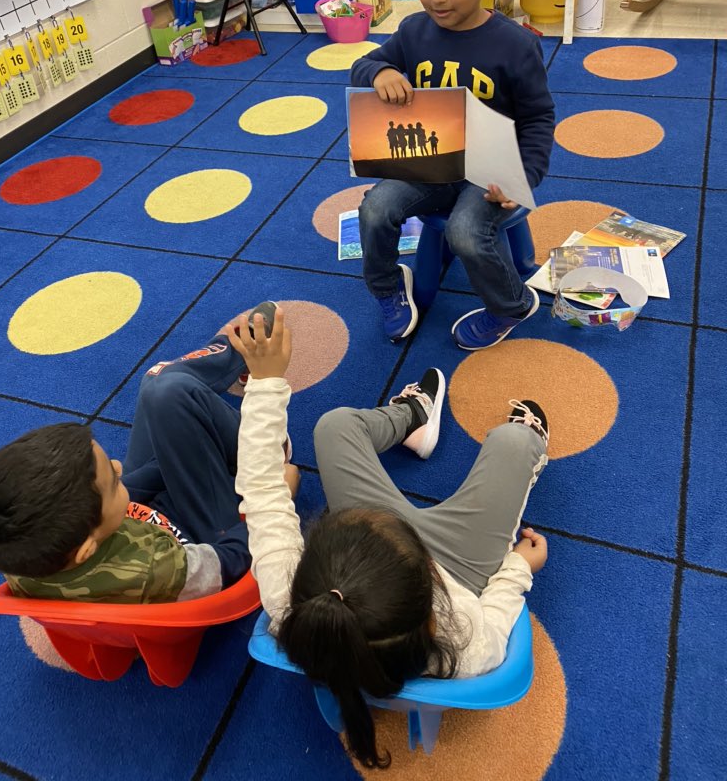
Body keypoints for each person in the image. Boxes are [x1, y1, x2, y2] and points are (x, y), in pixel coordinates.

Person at [229, 307, 549, 770]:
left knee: (334, 426)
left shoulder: (289, 599)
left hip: (390, 567)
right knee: (515, 444)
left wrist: (264, 383)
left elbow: (260, 487)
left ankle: (414, 417)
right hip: (458, 567)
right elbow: (496, 616)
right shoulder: (463, 641)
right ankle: (524, 442)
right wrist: (520, 564)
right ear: (432, 619)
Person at [0, 303, 299, 604]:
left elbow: (122, 494)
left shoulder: (24, 553)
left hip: (145, 513)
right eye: (110, 479)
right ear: (86, 549)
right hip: (210, 532)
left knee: (159, 386)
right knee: (167, 391)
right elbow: (233, 559)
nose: (118, 466)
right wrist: (273, 492)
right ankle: (263, 429)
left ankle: (233, 359)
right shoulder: (159, 571)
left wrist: (170, 456)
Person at [350, 0, 555, 349]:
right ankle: (387, 287)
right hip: (431, 163)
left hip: (489, 174)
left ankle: (512, 305)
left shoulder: (516, 46)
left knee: (465, 231)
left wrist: (523, 177)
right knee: (375, 208)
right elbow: (364, 64)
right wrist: (381, 71)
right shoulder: (413, 31)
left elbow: (539, 118)